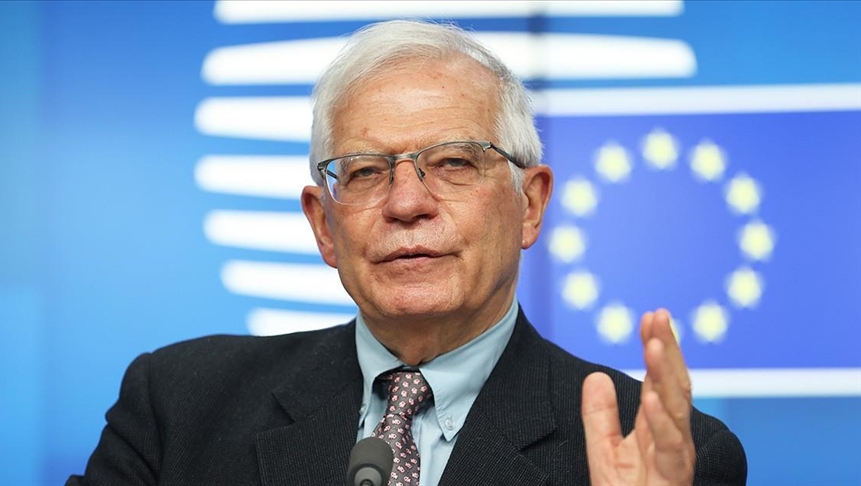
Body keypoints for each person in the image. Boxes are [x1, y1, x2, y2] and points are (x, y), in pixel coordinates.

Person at [68, 20, 746, 486]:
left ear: (530, 205)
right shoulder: (179, 404)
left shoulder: (657, 453)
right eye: (365, 171)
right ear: (323, 225)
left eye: (454, 162)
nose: (406, 203)